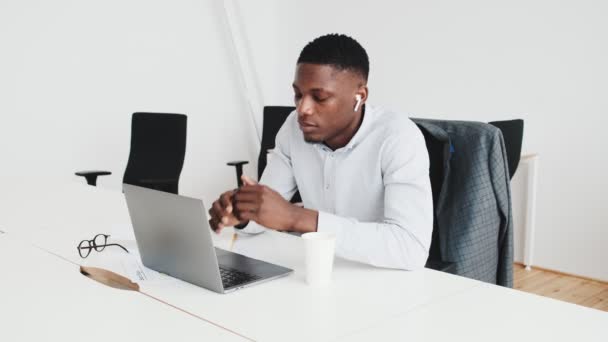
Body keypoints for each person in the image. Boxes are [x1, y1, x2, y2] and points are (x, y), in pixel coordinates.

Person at [208, 34, 432, 270]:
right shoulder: (293, 128)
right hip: (318, 269)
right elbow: (270, 209)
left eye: (320, 97)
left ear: (360, 96)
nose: (302, 109)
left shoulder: (398, 137)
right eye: (298, 94)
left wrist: (297, 217)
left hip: (382, 280)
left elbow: (411, 248)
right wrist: (243, 212)